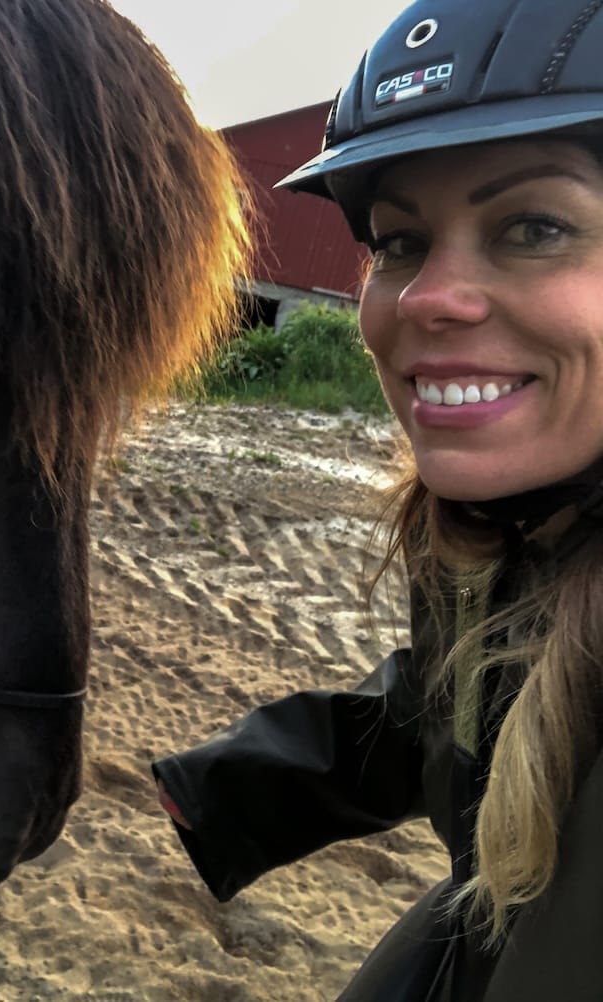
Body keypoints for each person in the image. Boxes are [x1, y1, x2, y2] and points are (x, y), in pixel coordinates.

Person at [151, 1, 603, 999]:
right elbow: (451, 705)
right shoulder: (512, 533)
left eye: (533, 226)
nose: (428, 297)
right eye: (398, 242)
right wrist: (212, 795)